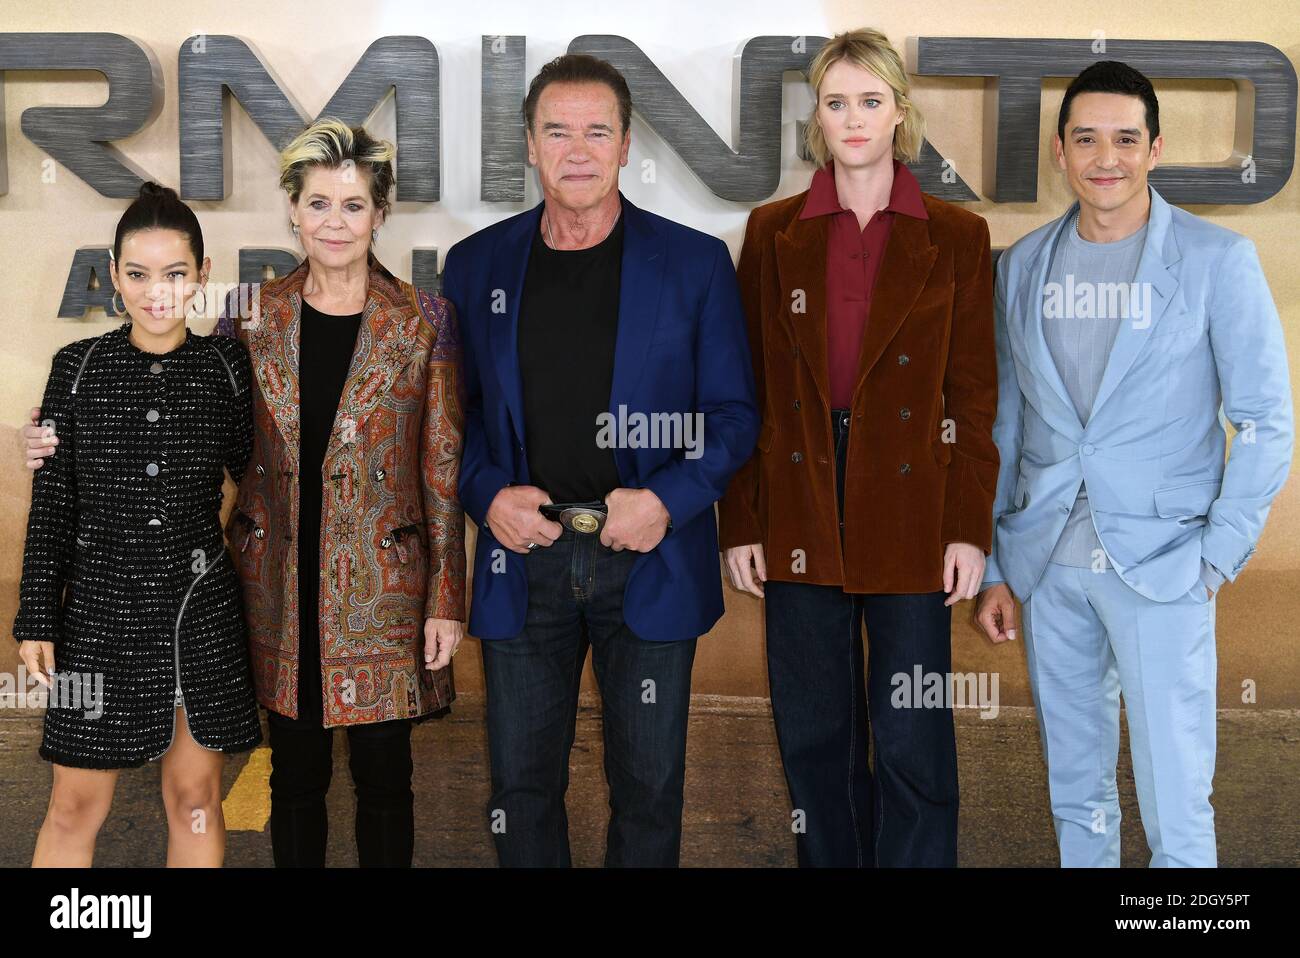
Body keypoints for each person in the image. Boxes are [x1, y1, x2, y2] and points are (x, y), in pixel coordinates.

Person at [26, 118, 467, 868]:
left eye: (353, 205)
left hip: (385, 593)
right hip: (272, 592)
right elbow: (215, 444)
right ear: (293, 209)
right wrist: (42, 440)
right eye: (318, 203)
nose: (335, 221)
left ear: (380, 214)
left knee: (386, 780)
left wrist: (445, 598)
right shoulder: (250, 320)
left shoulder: (424, 321)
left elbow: (444, 468)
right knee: (294, 778)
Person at [974, 61, 1294, 867]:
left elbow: (1264, 420)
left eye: (1124, 139)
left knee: (1176, 797)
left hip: (1165, 565)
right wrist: (996, 565)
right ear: (1060, 151)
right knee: (1074, 788)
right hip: (1049, 566)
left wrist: (1216, 556)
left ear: (1155, 149)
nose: (1104, 157)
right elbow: (1005, 423)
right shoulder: (1022, 267)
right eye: (1086, 139)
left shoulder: (1218, 259)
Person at [443, 54, 759, 867]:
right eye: (557, 131)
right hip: (527, 558)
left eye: (597, 131)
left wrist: (666, 501)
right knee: (520, 786)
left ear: (625, 147)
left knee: (649, 791)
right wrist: (487, 498)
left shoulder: (692, 264)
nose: (576, 150)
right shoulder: (477, 267)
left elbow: (731, 417)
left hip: (648, 557)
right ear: (530, 146)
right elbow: (458, 417)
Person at [717, 29, 999, 867]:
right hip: (800, 492)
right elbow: (745, 391)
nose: (852, 118)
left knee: (913, 740)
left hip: (913, 501)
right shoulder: (771, 233)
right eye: (836, 102)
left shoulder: (956, 235)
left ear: (899, 113)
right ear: (818, 115)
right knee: (815, 737)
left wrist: (968, 527)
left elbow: (972, 396)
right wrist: (741, 521)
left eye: (869, 101)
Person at [15, 181, 261, 866]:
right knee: (72, 806)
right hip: (98, 617)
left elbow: (260, 483)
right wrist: (37, 615)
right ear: (115, 276)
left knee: (196, 802)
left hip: (198, 614)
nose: (158, 292)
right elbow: (55, 503)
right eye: (140, 274)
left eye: (176, 274)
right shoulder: (78, 367)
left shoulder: (225, 367)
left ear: (202, 277)